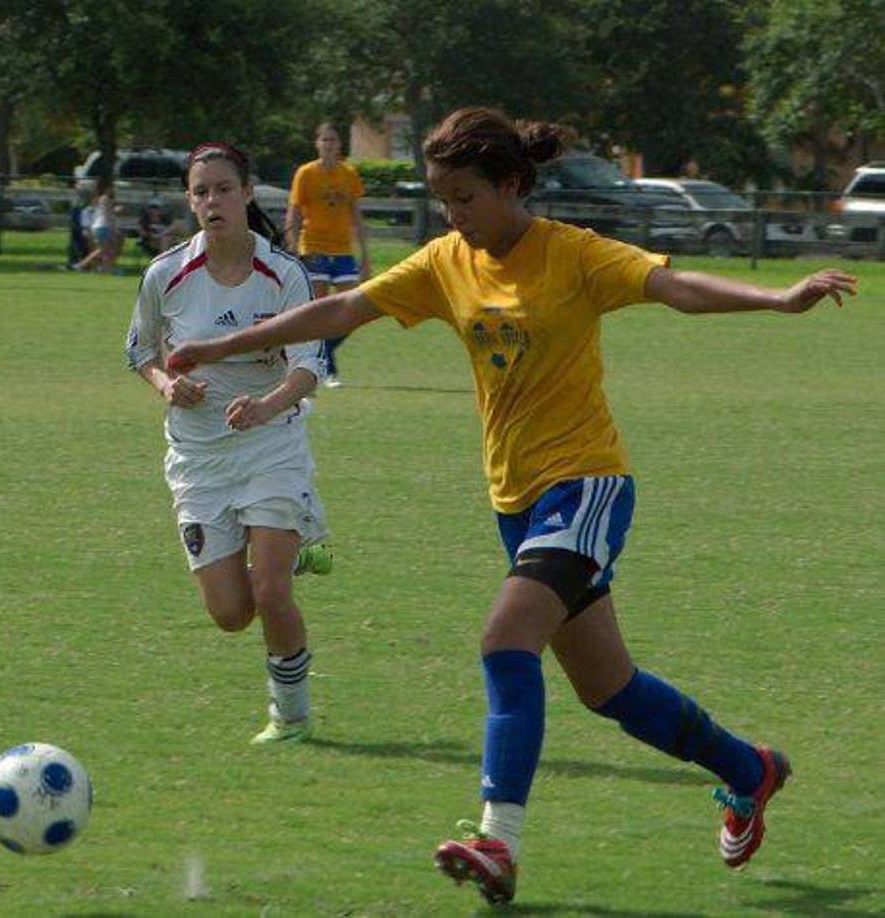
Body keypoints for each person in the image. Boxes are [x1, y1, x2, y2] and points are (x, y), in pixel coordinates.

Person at [166, 107, 857, 903]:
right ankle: (750, 768)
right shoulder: (444, 261)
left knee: (503, 640)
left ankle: (498, 842)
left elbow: (674, 288)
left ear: (511, 186)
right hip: (516, 501)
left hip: (587, 484)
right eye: (442, 202)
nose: (453, 217)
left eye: (464, 199)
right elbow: (341, 310)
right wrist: (222, 346)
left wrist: (775, 298)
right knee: (611, 691)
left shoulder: (574, 254)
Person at [126, 141, 334, 746]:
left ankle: (289, 714)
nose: (211, 201)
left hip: (271, 444)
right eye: (200, 192)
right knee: (230, 614)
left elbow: (308, 365)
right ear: (189, 202)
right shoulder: (165, 274)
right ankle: (290, 545)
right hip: (199, 457)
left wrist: (267, 404)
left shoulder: (283, 275)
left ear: (247, 193)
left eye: (223, 189)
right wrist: (168, 386)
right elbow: (139, 351)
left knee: (270, 592)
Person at [286, 122, 372, 388]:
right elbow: (295, 212)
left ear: (340, 144)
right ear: (317, 143)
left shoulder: (349, 174)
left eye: (333, 140)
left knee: (355, 310)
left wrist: (365, 254)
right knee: (318, 310)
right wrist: (292, 246)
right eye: (324, 140)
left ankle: (325, 352)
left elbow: (356, 215)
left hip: (343, 249)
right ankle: (326, 369)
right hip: (313, 248)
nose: (328, 144)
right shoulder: (306, 174)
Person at [76, 180, 120, 273]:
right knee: (102, 249)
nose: (113, 190)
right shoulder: (105, 199)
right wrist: (113, 228)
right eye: (112, 188)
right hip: (103, 226)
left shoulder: (102, 199)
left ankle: (105, 268)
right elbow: (108, 215)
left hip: (100, 226)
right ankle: (82, 265)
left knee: (107, 249)